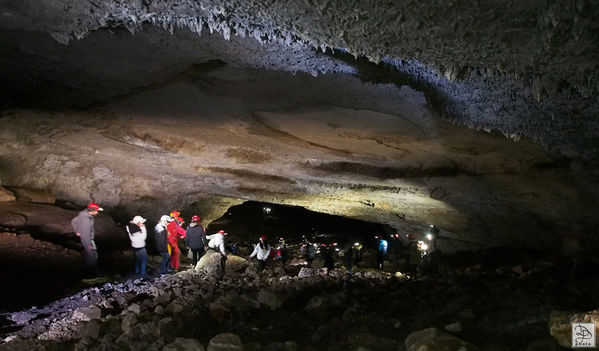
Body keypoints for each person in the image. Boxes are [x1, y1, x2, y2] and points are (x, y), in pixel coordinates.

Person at [71, 202, 103, 278]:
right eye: (96, 211)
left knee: (91, 255)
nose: (97, 212)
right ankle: (90, 273)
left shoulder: (83, 213)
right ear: (91, 211)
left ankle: (87, 272)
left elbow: (73, 221)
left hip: (86, 239)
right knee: (93, 255)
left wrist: (77, 231)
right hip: (87, 240)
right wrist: (89, 245)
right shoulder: (86, 220)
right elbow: (86, 234)